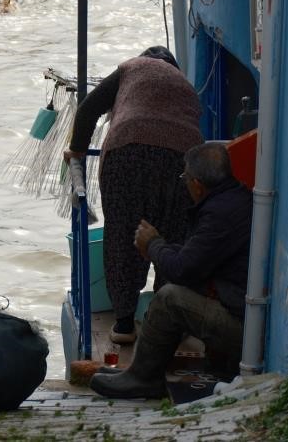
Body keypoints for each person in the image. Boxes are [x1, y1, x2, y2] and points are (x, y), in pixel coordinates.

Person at [89, 142, 254, 399]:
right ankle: (141, 369)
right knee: (175, 288)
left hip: (242, 327)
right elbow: (193, 256)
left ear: (196, 184)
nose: (184, 184)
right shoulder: (232, 199)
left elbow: (181, 269)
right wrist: (160, 247)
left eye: (184, 178)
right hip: (241, 312)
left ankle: (143, 378)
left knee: (169, 298)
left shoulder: (219, 213)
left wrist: (153, 244)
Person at [64, 46, 202, 343]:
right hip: (182, 160)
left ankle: (124, 325)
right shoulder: (186, 85)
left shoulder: (131, 68)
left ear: (145, 58)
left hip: (127, 151)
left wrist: (77, 149)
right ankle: (166, 323)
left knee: (122, 235)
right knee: (174, 236)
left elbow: (89, 108)